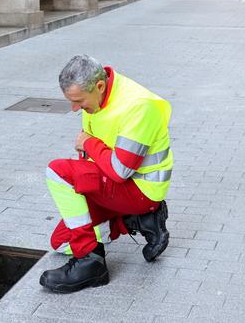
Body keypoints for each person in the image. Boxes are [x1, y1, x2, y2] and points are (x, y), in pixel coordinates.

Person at [40, 55, 173, 293]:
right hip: (113, 186)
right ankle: (132, 220)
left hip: (140, 189)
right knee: (60, 242)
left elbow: (120, 171)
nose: (74, 108)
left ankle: (90, 261)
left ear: (99, 86)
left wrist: (88, 143)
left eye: (78, 101)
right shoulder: (95, 97)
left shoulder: (139, 106)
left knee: (57, 172)